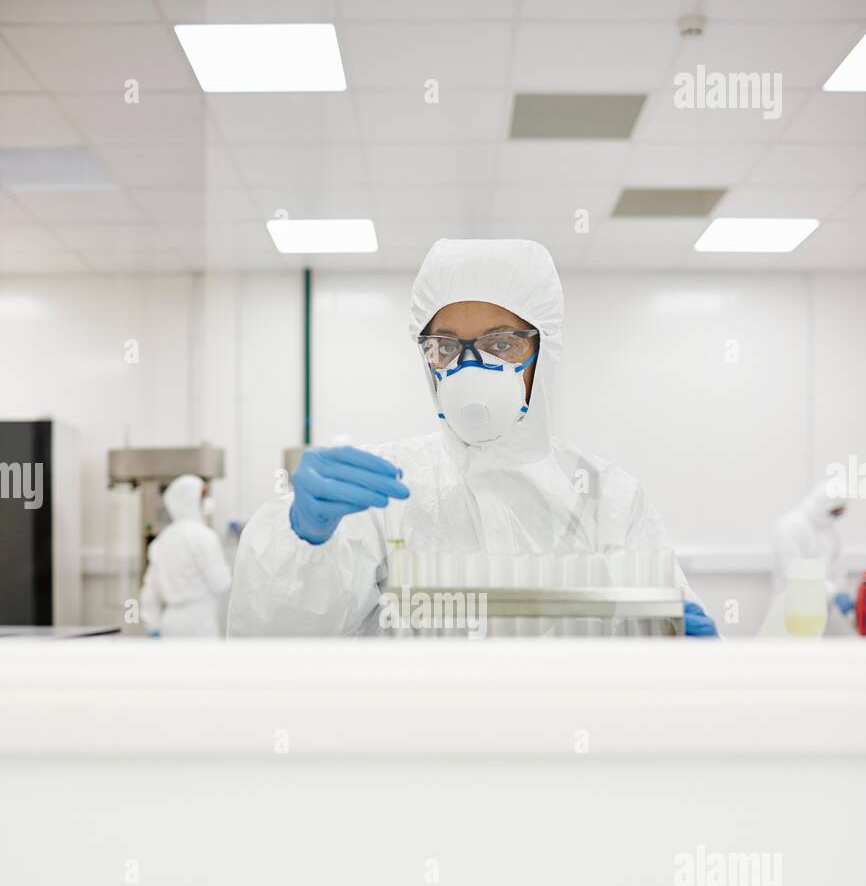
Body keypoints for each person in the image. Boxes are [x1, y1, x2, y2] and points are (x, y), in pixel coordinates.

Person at [227, 239, 716, 638]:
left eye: (500, 344)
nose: (470, 366)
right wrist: (305, 543)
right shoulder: (383, 492)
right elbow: (276, 645)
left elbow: (665, 637)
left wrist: (687, 653)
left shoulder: (609, 497)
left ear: (544, 351)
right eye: (445, 347)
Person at [140, 474, 231, 637]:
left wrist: (152, 626)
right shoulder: (204, 536)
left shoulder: (162, 539)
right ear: (191, 501)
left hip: (169, 622)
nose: (207, 503)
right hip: (199, 623)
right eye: (203, 497)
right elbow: (221, 583)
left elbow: (149, 593)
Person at [771, 480, 853, 619]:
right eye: (835, 511)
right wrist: (833, 592)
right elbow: (795, 574)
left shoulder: (830, 531)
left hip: (819, 612)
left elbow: (837, 566)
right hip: (791, 610)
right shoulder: (791, 526)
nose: (837, 516)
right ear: (823, 505)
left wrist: (841, 590)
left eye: (840, 512)